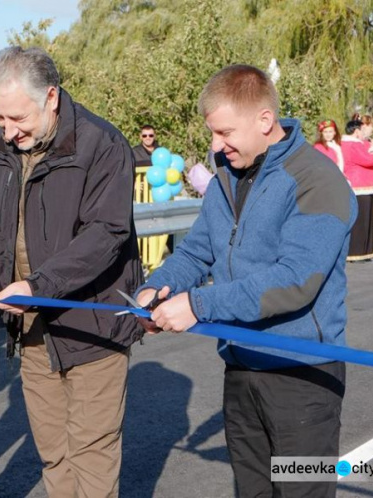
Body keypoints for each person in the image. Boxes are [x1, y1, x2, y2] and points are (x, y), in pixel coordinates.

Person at [136, 64, 355, 498]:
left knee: (301, 490)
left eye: (225, 133)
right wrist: (157, 286)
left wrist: (198, 305)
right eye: (213, 133)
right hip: (240, 370)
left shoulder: (317, 181)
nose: (216, 146)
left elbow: (294, 281)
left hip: (302, 379)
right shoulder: (225, 177)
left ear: (264, 121)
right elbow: (199, 250)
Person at [0, 46, 143, 497]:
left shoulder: (102, 144)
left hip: (92, 325)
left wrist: (38, 286)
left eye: (18, 118)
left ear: (51, 97)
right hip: (31, 327)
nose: (8, 131)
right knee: (54, 455)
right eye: (0, 118)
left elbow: (106, 233)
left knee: (91, 455)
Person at [341, 118, 373, 261]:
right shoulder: (351, 144)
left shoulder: (354, 143)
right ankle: (357, 252)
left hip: (365, 186)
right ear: (356, 131)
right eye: (362, 130)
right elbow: (369, 160)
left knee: (365, 220)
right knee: (360, 222)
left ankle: (366, 250)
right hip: (358, 186)